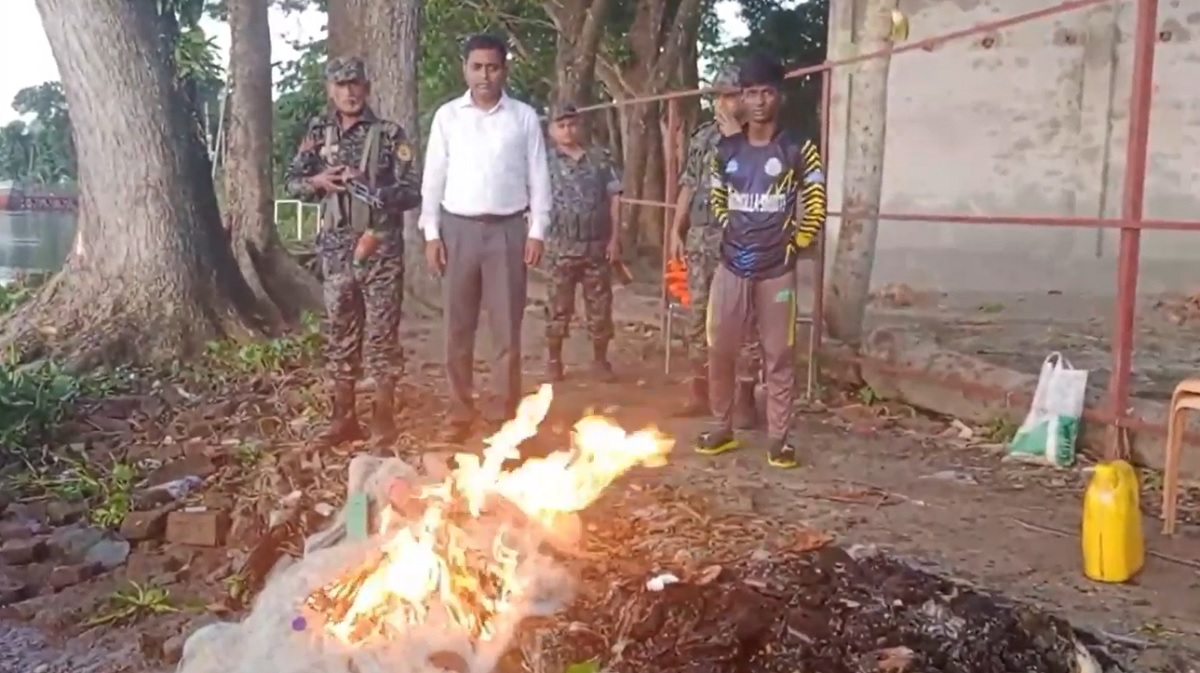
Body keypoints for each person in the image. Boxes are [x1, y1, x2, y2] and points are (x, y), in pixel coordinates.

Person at [694, 53, 827, 469]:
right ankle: (722, 427)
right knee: (720, 347)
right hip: (732, 264)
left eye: (766, 92)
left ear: (778, 97)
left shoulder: (797, 148)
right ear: (741, 99)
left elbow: (817, 200)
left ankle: (779, 439)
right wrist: (730, 227)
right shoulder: (725, 149)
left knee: (780, 353)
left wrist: (798, 240)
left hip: (777, 269)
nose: (758, 101)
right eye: (750, 93)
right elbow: (717, 195)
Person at [419, 34, 552, 443]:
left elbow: (539, 176)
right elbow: (433, 177)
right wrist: (431, 232)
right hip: (457, 229)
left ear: (503, 70)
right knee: (458, 328)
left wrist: (538, 230)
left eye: (492, 67)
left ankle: (503, 413)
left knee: (506, 328)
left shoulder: (523, 117)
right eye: (477, 67)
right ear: (465, 69)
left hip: (509, 232)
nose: (484, 75)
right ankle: (460, 412)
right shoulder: (448, 117)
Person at [284, 56, 422, 448]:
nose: (349, 91)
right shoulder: (318, 133)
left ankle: (383, 419)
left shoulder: (391, 135)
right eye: (341, 85)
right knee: (340, 335)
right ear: (331, 89)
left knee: (381, 335)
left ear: (367, 87)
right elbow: (292, 182)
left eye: (355, 84)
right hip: (336, 250)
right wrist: (319, 181)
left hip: (380, 248)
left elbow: (412, 191)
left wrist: (373, 188)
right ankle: (343, 418)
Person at [667, 66, 762, 429]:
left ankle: (744, 397)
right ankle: (700, 389)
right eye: (720, 95)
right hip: (701, 237)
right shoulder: (703, 137)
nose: (725, 102)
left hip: (740, 238)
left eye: (732, 94)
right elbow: (689, 184)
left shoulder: (758, 139)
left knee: (743, 319)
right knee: (698, 317)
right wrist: (677, 229)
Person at [543, 102, 623, 383]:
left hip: (596, 245)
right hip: (560, 246)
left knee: (600, 306)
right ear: (551, 130)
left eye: (572, 124)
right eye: (561, 125)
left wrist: (615, 239)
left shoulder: (600, 158)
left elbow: (615, 197)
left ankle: (600, 360)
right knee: (557, 306)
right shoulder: (544, 161)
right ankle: (554, 360)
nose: (567, 130)